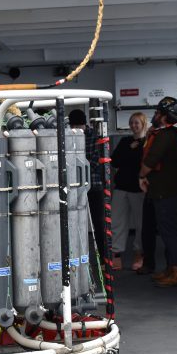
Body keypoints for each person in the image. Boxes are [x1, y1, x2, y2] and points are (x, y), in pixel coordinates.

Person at [139, 96, 177, 287]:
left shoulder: (165, 136)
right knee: (171, 231)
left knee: (171, 233)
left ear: (162, 116)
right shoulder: (175, 133)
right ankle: (171, 268)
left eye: (156, 113)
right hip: (171, 191)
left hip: (167, 193)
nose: (154, 116)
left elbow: (150, 162)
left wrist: (141, 176)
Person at [110, 112, 147, 270]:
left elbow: (146, 163)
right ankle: (116, 254)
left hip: (139, 189)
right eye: (132, 122)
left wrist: (134, 150)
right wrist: (129, 149)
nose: (133, 125)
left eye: (136, 123)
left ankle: (139, 253)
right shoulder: (125, 141)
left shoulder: (148, 142)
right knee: (117, 222)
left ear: (143, 124)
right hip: (121, 188)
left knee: (140, 224)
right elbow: (114, 161)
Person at [69, 109, 105, 263]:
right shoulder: (69, 135)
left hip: (94, 186)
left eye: (79, 126)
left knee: (98, 223)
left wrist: (79, 165)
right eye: (74, 126)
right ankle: (75, 255)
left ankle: (104, 258)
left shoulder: (94, 137)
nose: (77, 130)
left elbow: (96, 161)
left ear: (85, 124)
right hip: (74, 187)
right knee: (74, 221)